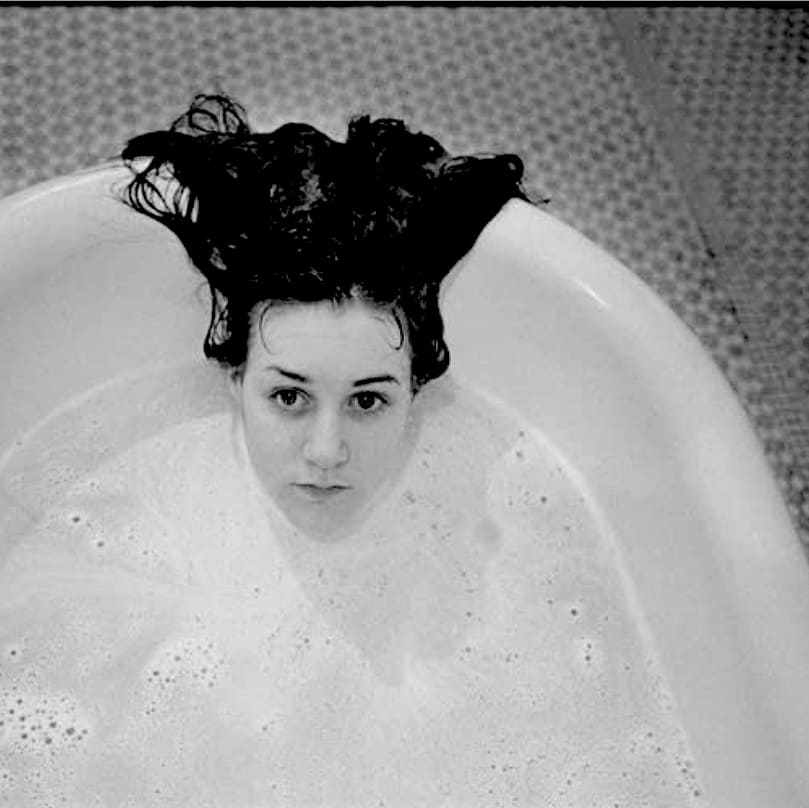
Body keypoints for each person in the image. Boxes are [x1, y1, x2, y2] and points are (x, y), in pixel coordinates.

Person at [120, 93, 536, 539]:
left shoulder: (490, 525)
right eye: (289, 397)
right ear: (236, 378)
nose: (325, 453)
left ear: (415, 392)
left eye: (366, 400)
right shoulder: (145, 504)